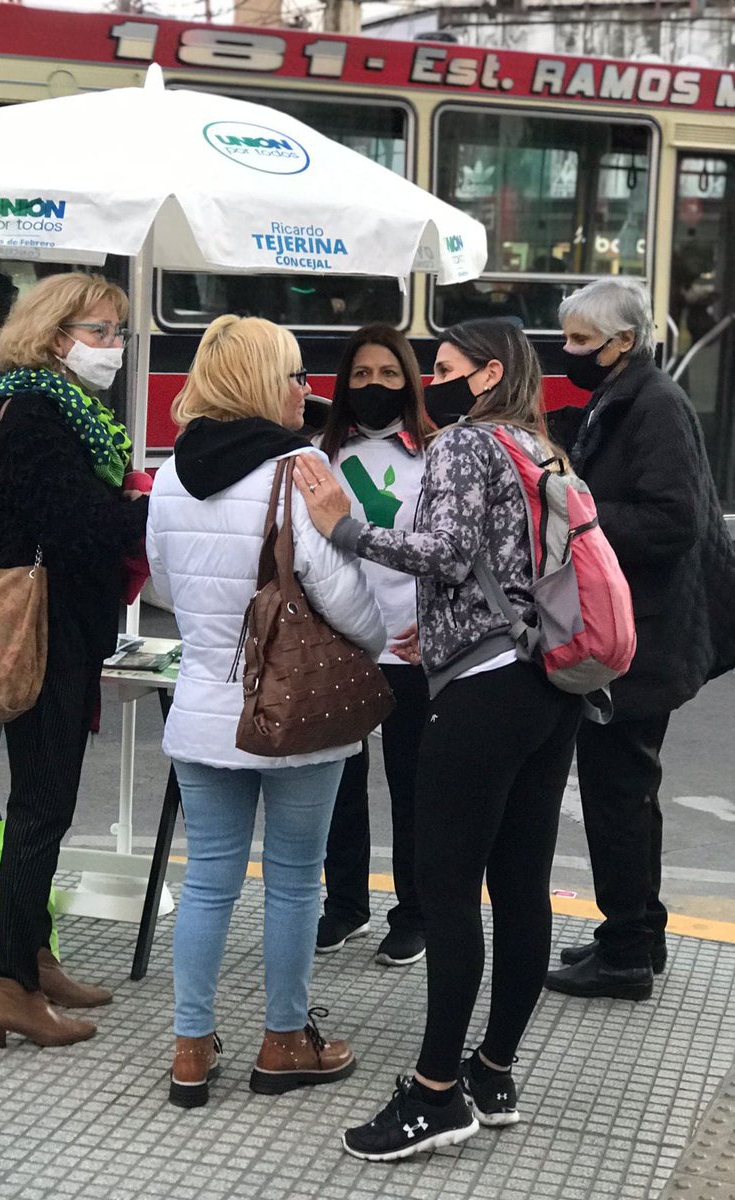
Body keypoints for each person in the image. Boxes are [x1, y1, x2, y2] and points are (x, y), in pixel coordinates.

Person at [293, 318, 582, 1161]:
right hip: (548, 682)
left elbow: (447, 550)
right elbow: (517, 566)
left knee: (447, 887)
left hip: (483, 694)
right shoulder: (542, 448)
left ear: (487, 373)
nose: (434, 381)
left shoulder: (464, 445)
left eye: (447, 367)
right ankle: (492, 1073)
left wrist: (344, 526)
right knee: (520, 884)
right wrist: (443, 622)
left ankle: (434, 1094)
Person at [145, 314, 386, 1109]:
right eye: (291, 374)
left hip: (202, 708)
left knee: (208, 881)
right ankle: (284, 1040)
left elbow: (162, 585)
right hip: (293, 718)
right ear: (257, 381)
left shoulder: (174, 471)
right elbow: (346, 602)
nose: (305, 389)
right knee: (293, 882)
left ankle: (189, 1049)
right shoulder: (300, 469)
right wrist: (380, 628)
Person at [0, 272, 149, 1048]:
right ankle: (12, 986)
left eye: (117, 332)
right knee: (43, 807)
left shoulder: (36, 408)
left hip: (53, 628)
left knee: (46, 802)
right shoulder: (38, 414)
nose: (113, 346)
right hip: (41, 636)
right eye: (101, 331)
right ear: (53, 333)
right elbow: (78, 529)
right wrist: (143, 506)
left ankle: (33, 956)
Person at [543, 277, 735, 1001]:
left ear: (623, 343)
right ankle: (636, 934)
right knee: (630, 788)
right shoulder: (629, 396)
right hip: (645, 629)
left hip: (640, 637)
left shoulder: (652, 405)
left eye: (582, 342)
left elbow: (671, 520)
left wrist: (574, 510)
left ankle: (625, 953)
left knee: (617, 792)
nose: (571, 353)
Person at [314, 324, 431, 967]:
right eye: (361, 376)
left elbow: (453, 552)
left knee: (413, 784)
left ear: (409, 381)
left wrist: (436, 624)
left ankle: (415, 912)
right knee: (340, 781)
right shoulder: (319, 453)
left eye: (389, 375)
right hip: (341, 643)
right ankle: (345, 906)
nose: (375, 386)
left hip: (413, 646)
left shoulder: (438, 452)